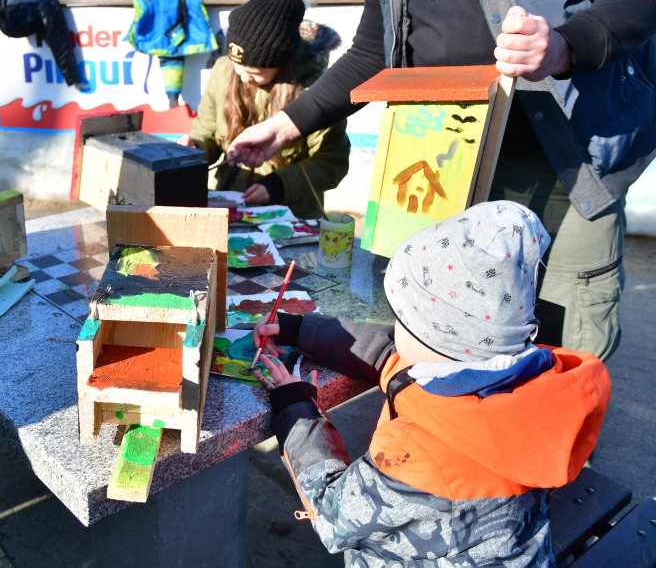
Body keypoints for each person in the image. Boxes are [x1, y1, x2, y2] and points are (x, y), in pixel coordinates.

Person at [226, 0, 656, 361]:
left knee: (567, 353)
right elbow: (373, 54)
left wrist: (563, 46)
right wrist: (286, 124)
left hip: (567, 168)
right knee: (446, 347)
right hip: (447, 177)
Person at [252, 200, 611, 566]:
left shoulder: (420, 454)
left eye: (400, 317)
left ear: (431, 336)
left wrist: (295, 408)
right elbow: (392, 355)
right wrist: (303, 329)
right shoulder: (519, 376)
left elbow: (334, 515)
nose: (393, 327)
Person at [178, 0, 350, 219]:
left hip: (290, 217)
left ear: (281, 63)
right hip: (228, 210)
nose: (243, 76)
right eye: (237, 66)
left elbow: (332, 163)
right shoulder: (223, 70)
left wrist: (279, 185)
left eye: (255, 72)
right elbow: (206, 130)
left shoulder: (316, 93)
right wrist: (194, 150)